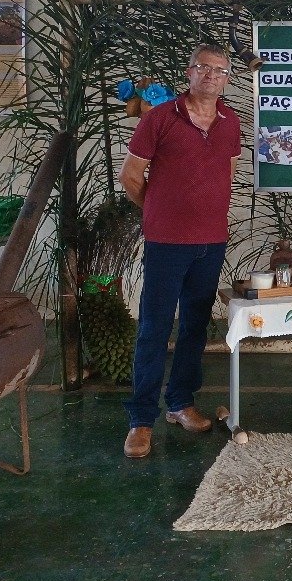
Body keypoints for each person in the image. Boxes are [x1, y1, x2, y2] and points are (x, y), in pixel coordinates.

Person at [118, 44, 242, 459]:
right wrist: (159, 210)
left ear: (226, 80)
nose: (211, 76)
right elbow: (131, 177)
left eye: (219, 71)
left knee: (194, 326)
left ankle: (180, 403)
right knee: (154, 328)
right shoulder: (158, 119)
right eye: (204, 68)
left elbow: (227, 172)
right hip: (166, 242)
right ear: (189, 72)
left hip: (211, 242)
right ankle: (140, 420)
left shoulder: (229, 123)